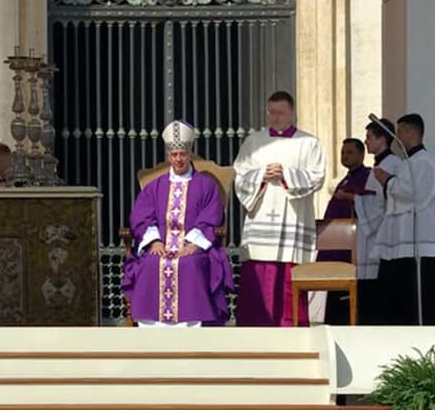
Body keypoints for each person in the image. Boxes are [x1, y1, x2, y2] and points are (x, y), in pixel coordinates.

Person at [121, 120, 235, 327]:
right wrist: (154, 242)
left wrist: (193, 244)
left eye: (182, 154)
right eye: (174, 155)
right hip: (161, 246)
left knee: (190, 264)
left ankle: (190, 326)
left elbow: (212, 216)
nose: (179, 159)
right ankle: (151, 326)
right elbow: (141, 216)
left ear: (190, 154)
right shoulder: (155, 186)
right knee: (149, 263)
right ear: (168, 157)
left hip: (193, 247)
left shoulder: (206, 185)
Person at [233, 91, 326, 327]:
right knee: (260, 273)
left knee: (288, 276)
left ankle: (290, 323)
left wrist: (286, 174)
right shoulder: (254, 142)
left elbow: (317, 177)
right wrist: (262, 175)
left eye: (280, 113)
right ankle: (257, 323)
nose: (275, 118)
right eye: (271, 112)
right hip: (261, 216)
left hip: (292, 220)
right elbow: (240, 176)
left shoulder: (309, 143)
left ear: (292, 112)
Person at [372, 113, 435, 324]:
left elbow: (414, 194)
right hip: (400, 242)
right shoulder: (410, 161)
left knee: (419, 301)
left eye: (399, 133)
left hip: (418, 245)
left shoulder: (424, 161)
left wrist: (387, 180)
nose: (397, 138)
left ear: (412, 133)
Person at [310, 138, 369, 324]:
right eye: (343, 152)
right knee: (332, 287)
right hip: (334, 241)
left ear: (361, 154)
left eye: (350, 152)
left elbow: (369, 205)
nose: (345, 156)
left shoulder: (367, 176)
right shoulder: (345, 178)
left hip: (350, 243)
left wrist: (350, 197)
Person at [352, 117, 401, 325]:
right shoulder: (379, 165)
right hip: (368, 234)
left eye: (369, 137)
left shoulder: (394, 164)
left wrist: (357, 197)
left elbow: (388, 200)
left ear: (382, 139)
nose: (366, 141)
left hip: (381, 232)